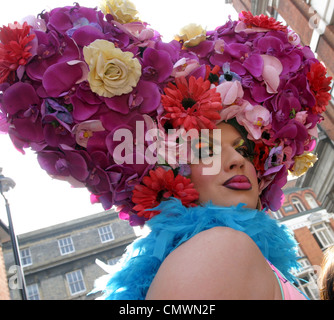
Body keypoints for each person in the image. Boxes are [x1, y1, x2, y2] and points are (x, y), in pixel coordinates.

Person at [1, 1, 331, 300]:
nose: (236, 162)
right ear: (174, 179)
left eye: (244, 150)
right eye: (205, 150)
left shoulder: (231, 250)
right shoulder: (224, 246)